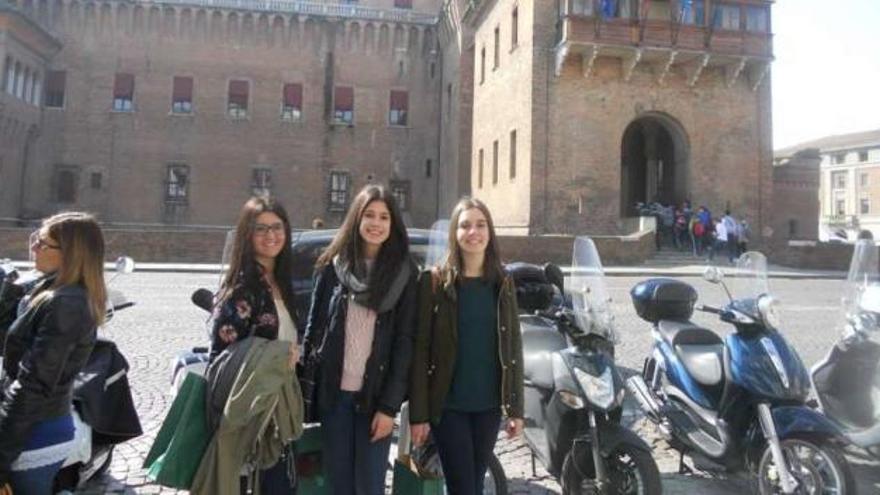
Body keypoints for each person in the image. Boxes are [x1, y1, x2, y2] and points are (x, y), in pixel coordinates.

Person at [302, 185, 417, 495]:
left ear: (393, 224)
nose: (376, 223)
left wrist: (389, 408)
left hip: (375, 400)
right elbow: (314, 329)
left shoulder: (404, 274)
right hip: (334, 397)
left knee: (369, 486)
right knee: (339, 484)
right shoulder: (333, 266)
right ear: (357, 218)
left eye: (384, 217)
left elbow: (405, 344)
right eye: (369, 215)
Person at [409, 197, 525, 495]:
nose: (473, 232)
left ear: (490, 231)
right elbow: (420, 350)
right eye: (465, 225)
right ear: (454, 233)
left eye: (480, 224)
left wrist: (515, 409)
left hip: (488, 406)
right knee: (463, 487)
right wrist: (418, 415)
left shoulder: (503, 282)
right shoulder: (435, 281)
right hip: (449, 407)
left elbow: (513, 345)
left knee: (473, 485)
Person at [0, 212, 107, 495]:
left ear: (70, 253)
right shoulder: (48, 288)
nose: (33, 247)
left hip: (33, 434)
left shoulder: (67, 302)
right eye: (35, 239)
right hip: (26, 425)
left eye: (42, 243)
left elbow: (34, 384)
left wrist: (1, 457)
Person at [208, 196, 300, 493]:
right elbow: (223, 358)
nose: (271, 235)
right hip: (253, 412)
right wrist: (276, 357)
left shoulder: (282, 281)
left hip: (279, 402)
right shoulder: (243, 289)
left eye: (277, 227)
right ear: (247, 234)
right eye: (261, 229)